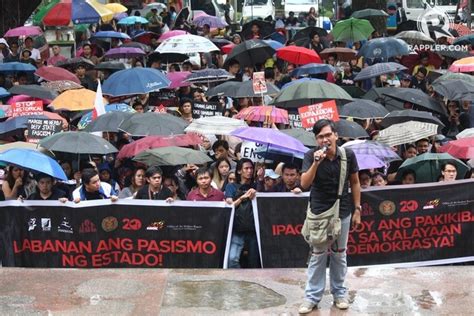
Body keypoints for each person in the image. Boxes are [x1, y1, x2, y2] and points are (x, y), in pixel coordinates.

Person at [299, 119, 361, 313]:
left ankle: (339, 294)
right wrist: (316, 163)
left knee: (339, 254)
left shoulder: (347, 155)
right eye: (320, 137)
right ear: (316, 139)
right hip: (318, 213)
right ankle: (312, 297)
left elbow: (355, 183)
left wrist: (357, 209)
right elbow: (304, 184)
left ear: (335, 135)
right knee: (317, 256)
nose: (325, 139)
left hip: (342, 212)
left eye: (328, 135)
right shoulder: (310, 155)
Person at [225, 158, 260, 268]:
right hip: (237, 229)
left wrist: (261, 182)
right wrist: (243, 197)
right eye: (246, 168)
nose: (249, 171)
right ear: (239, 171)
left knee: (254, 263)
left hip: (254, 231)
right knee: (232, 259)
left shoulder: (257, 186)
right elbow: (230, 206)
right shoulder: (231, 186)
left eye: (251, 168)